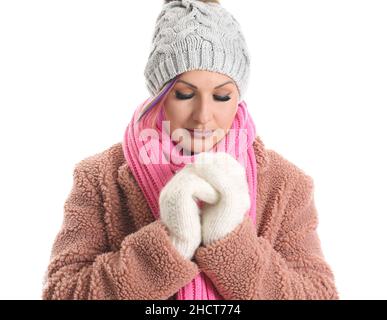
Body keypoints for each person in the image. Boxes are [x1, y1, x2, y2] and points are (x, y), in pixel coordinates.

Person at [42, 0, 339, 300]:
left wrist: (230, 242)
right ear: (159, 95)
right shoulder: (98, 178)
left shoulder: (286, 184)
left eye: (222, 96)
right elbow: (59, 293)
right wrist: (171, 243)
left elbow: (321, 295)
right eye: (184, 94)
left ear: (239, 97)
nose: (203, 115)